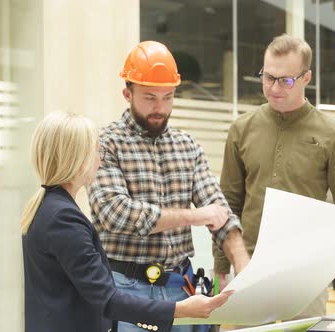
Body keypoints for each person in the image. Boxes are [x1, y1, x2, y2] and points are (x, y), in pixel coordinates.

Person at [88, 41, 250, 332]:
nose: (159, 108)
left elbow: (218, 210)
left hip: (181, 287)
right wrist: (194, 216)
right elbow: (115, 212)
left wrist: (244, 265)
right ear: (128, 93)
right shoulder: (105, 143)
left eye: (168, 97)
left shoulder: (187, 146)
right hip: (126, 289)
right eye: (149, 97)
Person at [214, 34, 335, 318]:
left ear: (306, 78)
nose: (274, 88)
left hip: (307, 275)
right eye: (268, 77)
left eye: (285, 80)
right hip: (248, 268)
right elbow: (227, 204)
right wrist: (220, 268)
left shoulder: (333, 134)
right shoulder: (241, 129)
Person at [21, 112, 233, 332]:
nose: (100, 159)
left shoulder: (49, 208)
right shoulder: (63, 220)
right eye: (96, 151)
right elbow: (107, 299)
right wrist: (179, 309)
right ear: (77, 159)